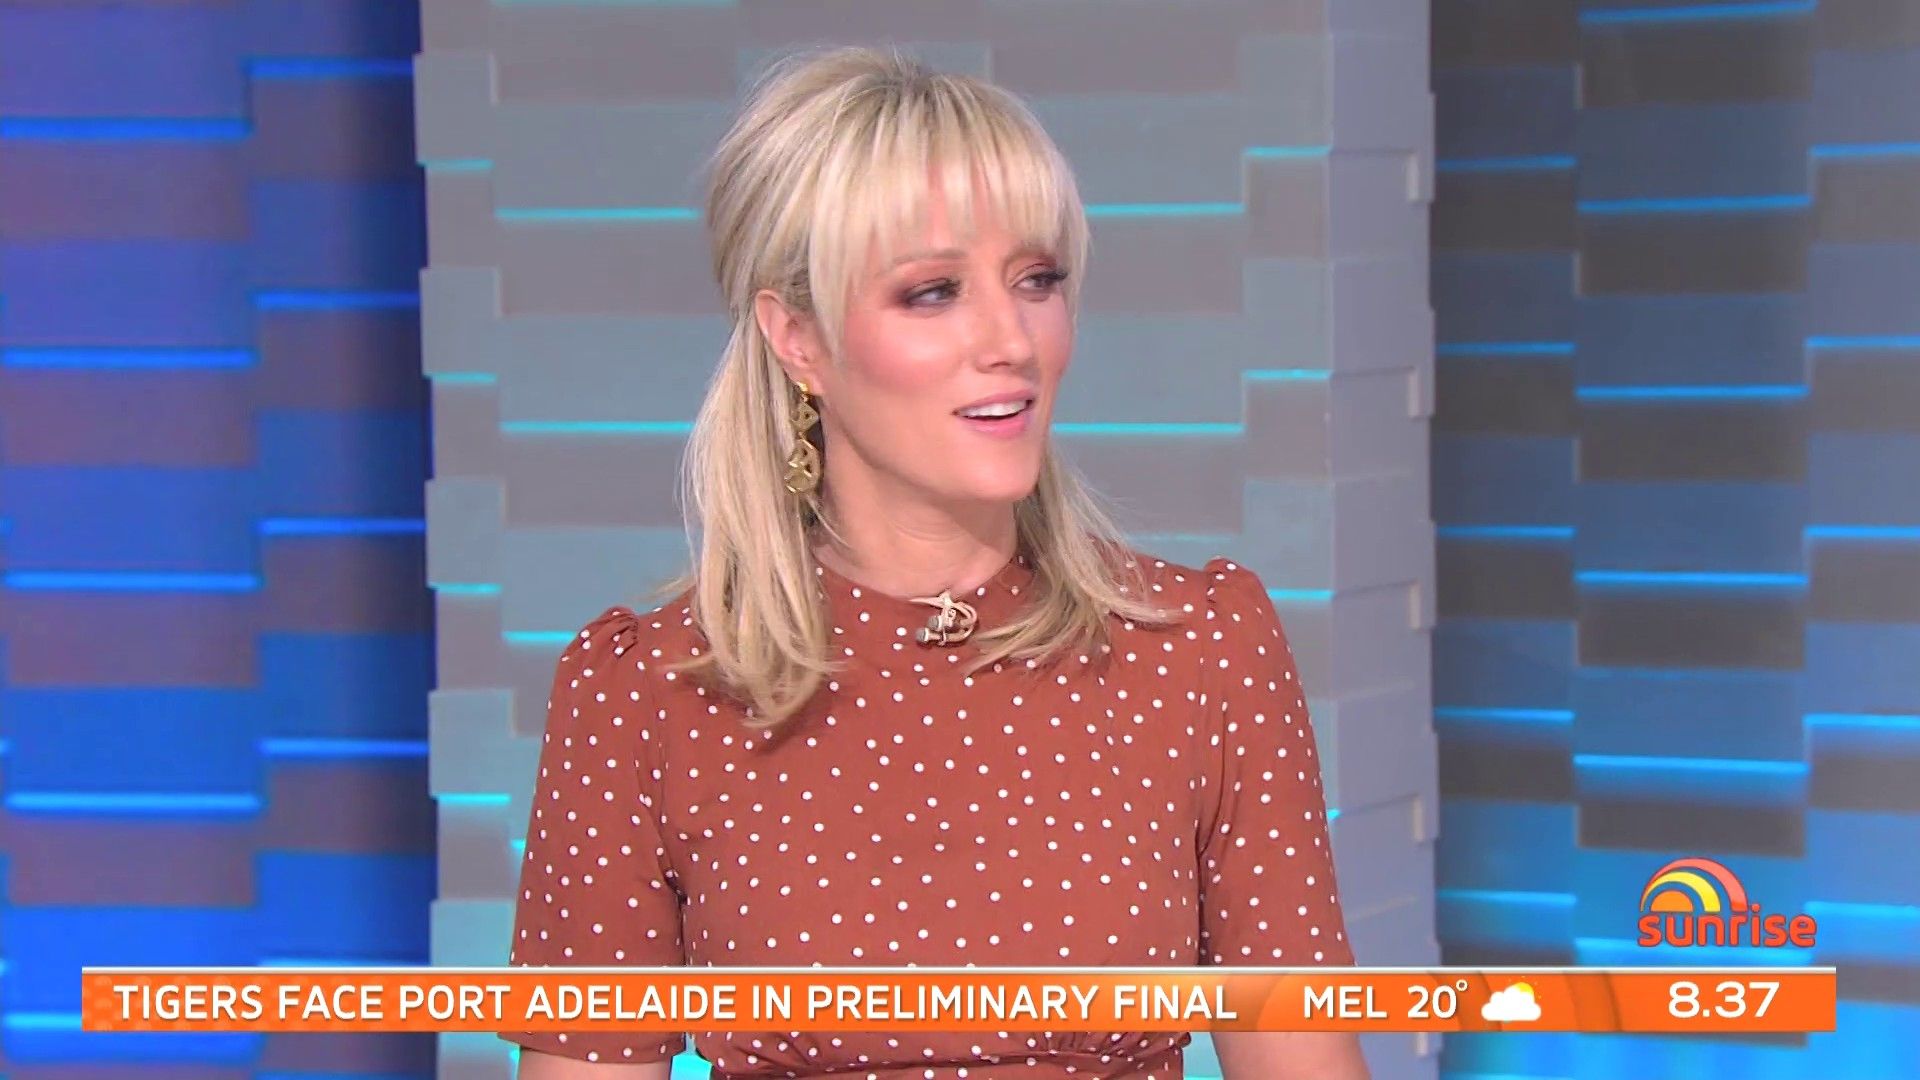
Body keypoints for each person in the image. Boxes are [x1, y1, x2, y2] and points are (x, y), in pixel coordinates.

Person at [501, 44, 1365, 1080]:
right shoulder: (647, 694)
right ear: (797, 337)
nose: (1012, 340)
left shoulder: (1199, 651)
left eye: (1036, 280)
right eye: (932, 292)